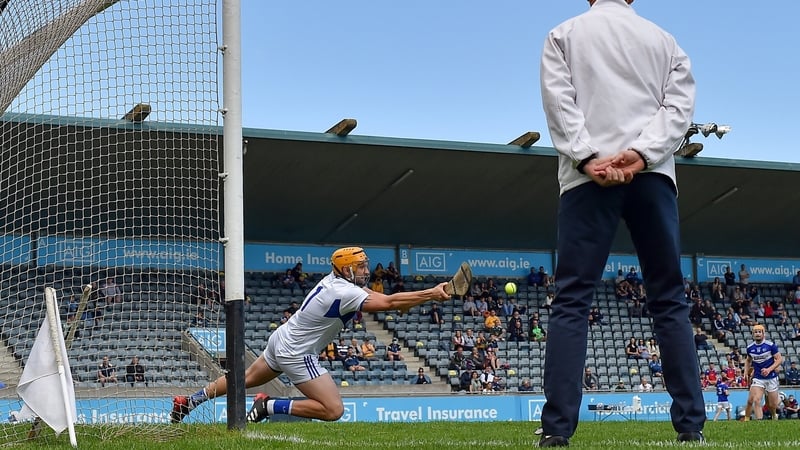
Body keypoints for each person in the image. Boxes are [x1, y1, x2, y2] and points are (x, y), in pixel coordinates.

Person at [537, 0, 706, 445]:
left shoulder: (564, 33)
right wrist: (642, 153)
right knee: (669, 299)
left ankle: (557, 431)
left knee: (573, 299)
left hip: (585, 178)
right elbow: (678, 108)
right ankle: (690, 426)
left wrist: (590, 156)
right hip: (652, 176)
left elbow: (559, 101)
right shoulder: (664, 41)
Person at [170, 246, 451, 424]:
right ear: (346, 269)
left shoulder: (335, 281)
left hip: (283, 339)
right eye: (361, 267)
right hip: (297, 352)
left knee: (242, 380)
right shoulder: (344, 291)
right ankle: (269, 406)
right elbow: (388, 303)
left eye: (366, 265)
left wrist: (424, 298)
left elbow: (384, 299)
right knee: (332, 410)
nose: (366, 271)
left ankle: (190, 400)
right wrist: (431, 293)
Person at [743, 324, 783, 421]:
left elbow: (779, 359)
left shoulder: (771, 346)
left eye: (759, 332)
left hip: (771, 377)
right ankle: (759, 422)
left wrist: (769, 369)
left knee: (772, 405)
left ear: (763, 334)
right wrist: (745, 372)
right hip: (758, 377)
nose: (757, 334)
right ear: (753, 334)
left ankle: (774, 415)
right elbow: (748, 360)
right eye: (755, 332)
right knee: (756, 400)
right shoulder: (750, 348)